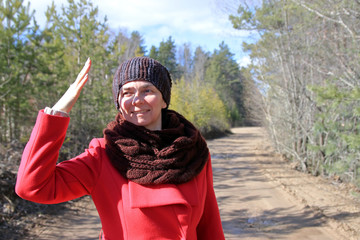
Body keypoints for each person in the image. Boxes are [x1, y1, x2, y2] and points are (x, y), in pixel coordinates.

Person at [15, 56, 225, 240]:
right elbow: (32, 187)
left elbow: (210, 227)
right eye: (127, 92)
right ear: (118, 102)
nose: (137, 100)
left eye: (147, 90)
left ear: (164, 99)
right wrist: (58, 112)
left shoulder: (193, 150)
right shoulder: (103, 154)